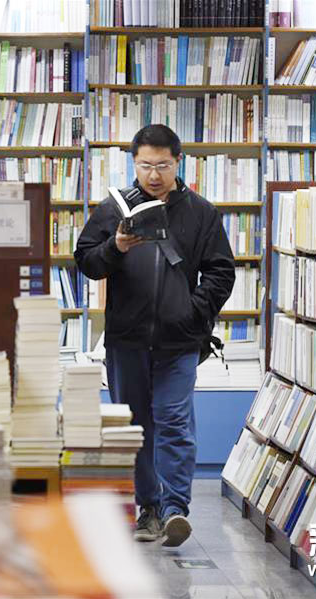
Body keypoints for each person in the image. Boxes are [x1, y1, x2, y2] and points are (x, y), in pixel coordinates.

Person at [74, 124, 235, 545]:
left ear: (178, 162)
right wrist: (116, 248)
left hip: (179, 341)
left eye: (162, 165)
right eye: (145, 165)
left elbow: (221, 271)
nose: (154, 174)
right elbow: (87, 262)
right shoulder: (114, 210)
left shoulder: (201, 212)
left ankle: (175, 510)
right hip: (126, 339)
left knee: (175, 422)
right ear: (134, 163)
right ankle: (148, 508)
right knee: (137, 426)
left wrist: (193, 313)